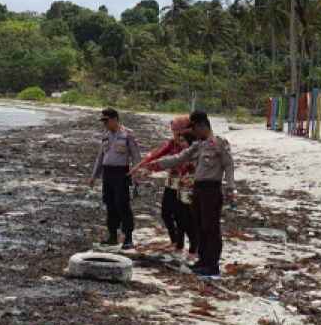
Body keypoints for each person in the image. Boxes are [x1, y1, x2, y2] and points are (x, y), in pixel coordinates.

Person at [146, 111, 234, 276]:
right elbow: (179, 158)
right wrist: (156, 164)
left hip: (211, 189)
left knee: (211, 227)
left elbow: (229, 165)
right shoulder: (198, 145)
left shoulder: (220, 143)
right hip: (197, 189)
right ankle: (203, 260)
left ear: (202, 125)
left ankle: (212, 263)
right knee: (198, 225)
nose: (194, 133)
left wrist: (230, 187)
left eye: (195, 129)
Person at [130, 116, 196, 259]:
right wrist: (142, 166)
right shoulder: (172, 142)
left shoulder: (191, 144)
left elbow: (175, 160)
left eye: (178, 131)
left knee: (183, 216)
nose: (175, 134)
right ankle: (175, 241)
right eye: (173, 131)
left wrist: (149, 168)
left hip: (185, 184)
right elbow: (158, 155)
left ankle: (186, 246)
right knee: (166, 213)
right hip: (171, 181)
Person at [86, 107, 141, 249]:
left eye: (107, 121)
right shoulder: (105, 136)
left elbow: (136, 157)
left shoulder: (128, 135)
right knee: (110, 204)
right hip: (108, 173)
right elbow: (100, 157)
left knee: (122, 205)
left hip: (121, 173)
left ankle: (128, 237)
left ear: (116, 119)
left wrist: (136, 176)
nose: (105, 124)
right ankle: (112, 235)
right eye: (103, 121)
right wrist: (94, 176)